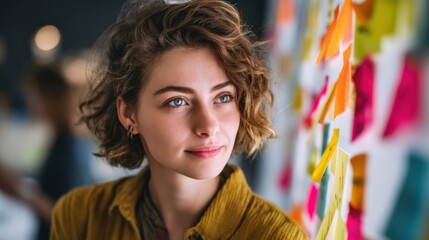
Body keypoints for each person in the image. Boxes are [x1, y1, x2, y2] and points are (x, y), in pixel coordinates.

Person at [51, 0, 308, 239]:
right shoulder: (79, 216)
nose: (208, 126)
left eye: (223, 97)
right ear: (129, 114)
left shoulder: (277, 236)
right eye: (177, 101)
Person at [0, 64, 95, 239]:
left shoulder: (68, 147)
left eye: (32, 96)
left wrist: (20, 189)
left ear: (49, 98)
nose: (29, 104)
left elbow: (66, 214)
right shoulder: (59, 141)